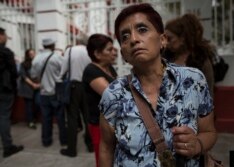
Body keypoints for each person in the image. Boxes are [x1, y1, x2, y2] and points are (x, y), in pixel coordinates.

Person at [98, 3, 217, 167]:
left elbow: (209, 132)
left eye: (142, 29)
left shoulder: (193, 80)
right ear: (123, 54)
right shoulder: (112, 94)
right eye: (124, 36)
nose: (133, 39)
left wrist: (197, 144)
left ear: (162, 40)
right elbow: (106, 147)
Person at [82, 33, 117, 167]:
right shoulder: (91, 70)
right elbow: (113, 95)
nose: (114, 52)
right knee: (104, 161)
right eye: (109, 49)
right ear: (97, 53)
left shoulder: (109, 67)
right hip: (99, 125)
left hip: (112, 123)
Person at [163, 13, 216, 97]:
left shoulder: (200, 60)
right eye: (164, 38)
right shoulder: (165, 58)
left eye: (170, 39)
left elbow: (208, 94)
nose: (166, 43)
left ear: (182, 38)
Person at [60, 33, 93, 157]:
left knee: (72, 118)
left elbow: (63, 70)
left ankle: (71, 149)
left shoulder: (70, 50)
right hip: (88, 86)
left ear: (76, 41)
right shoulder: (90, 51)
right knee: (88, 117)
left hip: (74, 87)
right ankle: (90, 146)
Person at [31, 38, 66, 147]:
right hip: (56, 92)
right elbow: (64, 72)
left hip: (43, 93)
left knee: (46, 118)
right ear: (52, 46)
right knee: (60, 118)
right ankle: (63, 140)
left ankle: (46, 141)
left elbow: (33, 76)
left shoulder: (36, 59)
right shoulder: (57, 57)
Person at [0, 27, 24, 157]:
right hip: (4, 89)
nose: (6, 38)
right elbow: (14, 73)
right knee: (4, 117)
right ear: (1, 35)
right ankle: (7, 147)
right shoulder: (6, 52)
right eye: (5, 35)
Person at [18, 49, 40, 129]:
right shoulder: (23, 64)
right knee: (29, 105)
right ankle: (30, 121)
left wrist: (38, 84)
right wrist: (33, 84)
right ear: (27, 55)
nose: (32, 55)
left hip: (37, 86)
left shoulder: (38, 63)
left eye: (33, 53)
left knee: (38, 103)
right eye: (30, 54)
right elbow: (24, 76)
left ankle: (33, 118)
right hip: (27, 87)